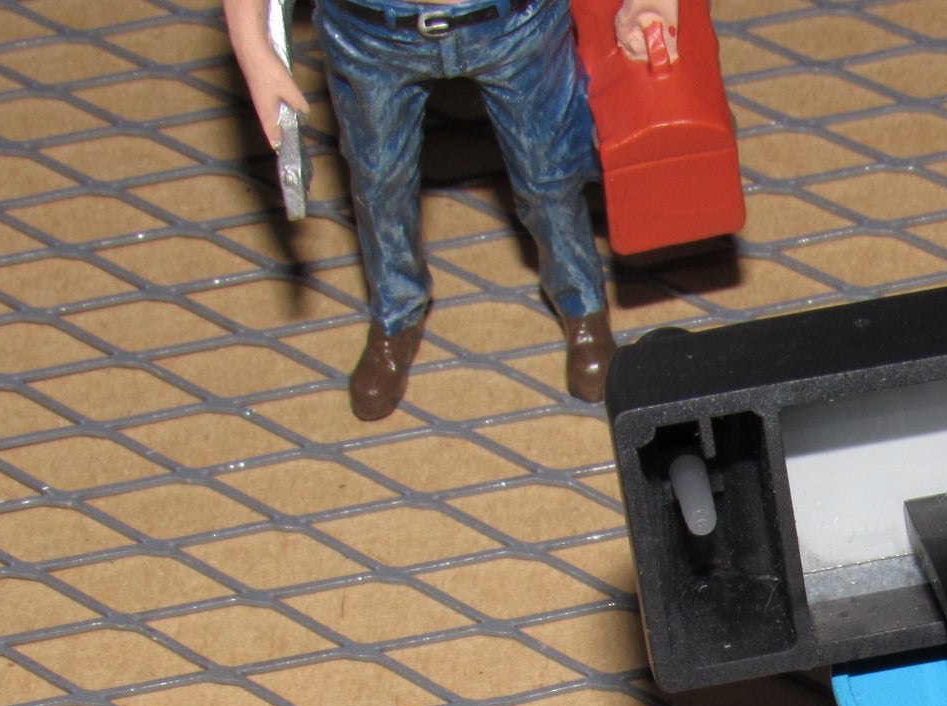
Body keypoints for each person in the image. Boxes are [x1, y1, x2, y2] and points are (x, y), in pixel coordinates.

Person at [222, 0, 678, 418]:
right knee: (380, 185)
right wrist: (255, 50)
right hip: (370, 33)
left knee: (549, 176)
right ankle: (395, 317)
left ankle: (582, 308)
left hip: (516, 23)